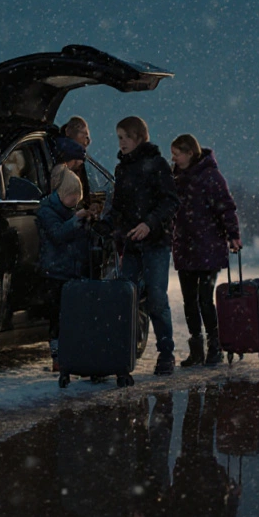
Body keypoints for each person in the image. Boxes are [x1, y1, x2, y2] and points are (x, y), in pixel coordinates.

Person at [102, 116, 179, 375]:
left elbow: (170, 202)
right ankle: (122, 351)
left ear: (138, 137)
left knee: (156, 298)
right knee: (126, 297)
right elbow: (119, 207)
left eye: (125, 137)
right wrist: (106, 224)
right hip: (132, 245)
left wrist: (149, 223)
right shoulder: (122, 169)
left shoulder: (157, 165)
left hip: (156, 242)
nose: (121, 142)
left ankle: (166, 353)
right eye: (119, 138)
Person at [169, 134, 241, 367]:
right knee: (189, 300)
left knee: (204, 299)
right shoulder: (176, 177)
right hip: (185, 246)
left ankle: (214, 346)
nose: (174, 158)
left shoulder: (210, 176)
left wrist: (233, 235)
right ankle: (197, 348)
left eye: (177, 154)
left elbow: (225, 206)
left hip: (208, 247)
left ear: (190, 153)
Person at [36, 164, 92, 372]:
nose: (75, 201)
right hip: (55, 272)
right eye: (72, 196)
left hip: (69, 271)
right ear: (62, 194)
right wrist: (76, 221)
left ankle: (69, 355)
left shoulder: (68, 211)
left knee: (69, 316)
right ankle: (57, 356)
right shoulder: (47, 212)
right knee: (57, 316)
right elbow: (58, 235)